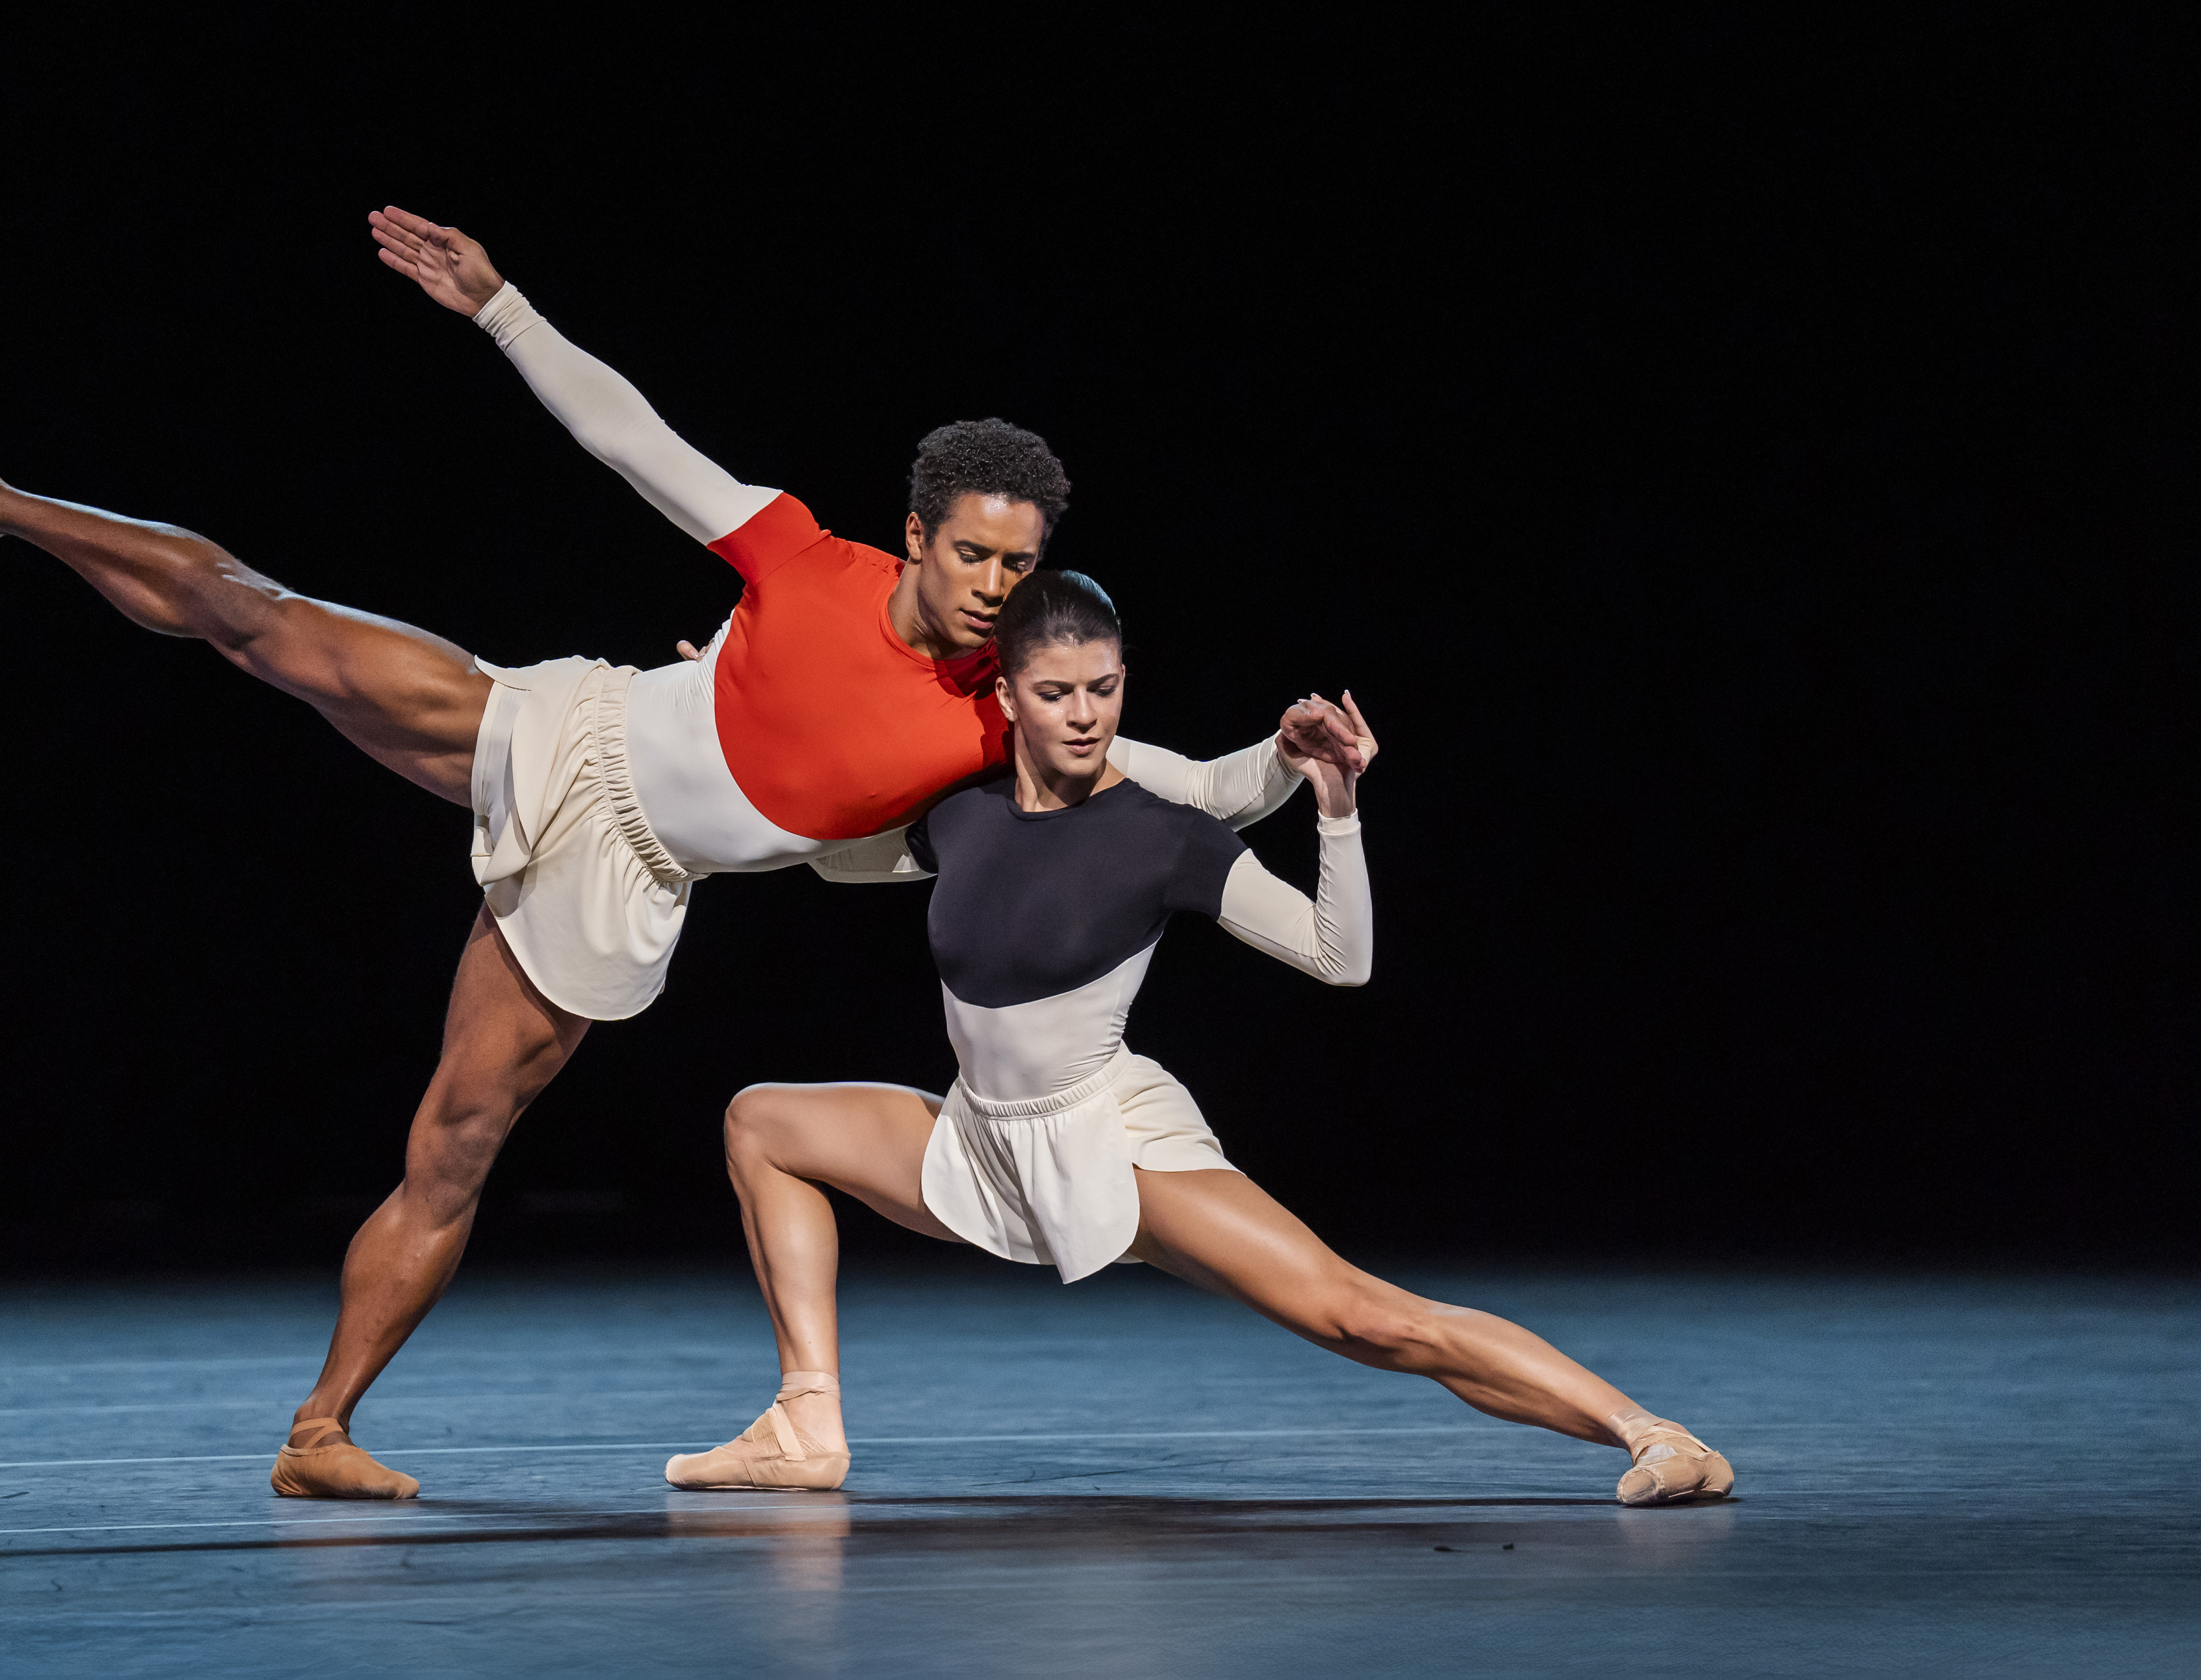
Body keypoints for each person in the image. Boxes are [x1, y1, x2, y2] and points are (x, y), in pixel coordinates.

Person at [0, 207, 1367, 1502]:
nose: (993, 585)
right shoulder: (801, 555)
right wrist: (497, 303)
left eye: (1019, 566)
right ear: (915, 535)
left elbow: (1185, 788)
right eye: (973, 552)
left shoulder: (997, 718)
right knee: (262, 620)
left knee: (456, 1142)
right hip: (570, 732)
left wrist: (1289, 765)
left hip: (622, 881)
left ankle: (317, 1435)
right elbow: (632, 437)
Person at [665, 569, 1735, 1509]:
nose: (1082, 715)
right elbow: (818, 850)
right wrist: (742, 739)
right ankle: (806, 1425)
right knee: (761, 1123)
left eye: (1103, 688)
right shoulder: (962, 809)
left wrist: (1335, 807)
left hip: (1114, 1147)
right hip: (981, 1142)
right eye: (1054, 693)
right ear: (1004, 695)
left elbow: (1338, 957)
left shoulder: (1163, 838)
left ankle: (1655, 1436)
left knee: (1366, 1320)